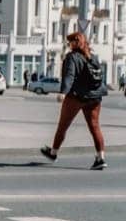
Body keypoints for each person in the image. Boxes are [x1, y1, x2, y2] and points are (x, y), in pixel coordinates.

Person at [40, 30, 107, 169]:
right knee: (95, 127)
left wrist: (63, 92)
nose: (68, 44)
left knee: (63, 125)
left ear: (75, 43)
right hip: (95, 97)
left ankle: (53, 153)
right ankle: (101, 158)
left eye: (69, 42)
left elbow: (69, 76)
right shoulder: (93, 57)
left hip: (76, 96)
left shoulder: (72, 57)